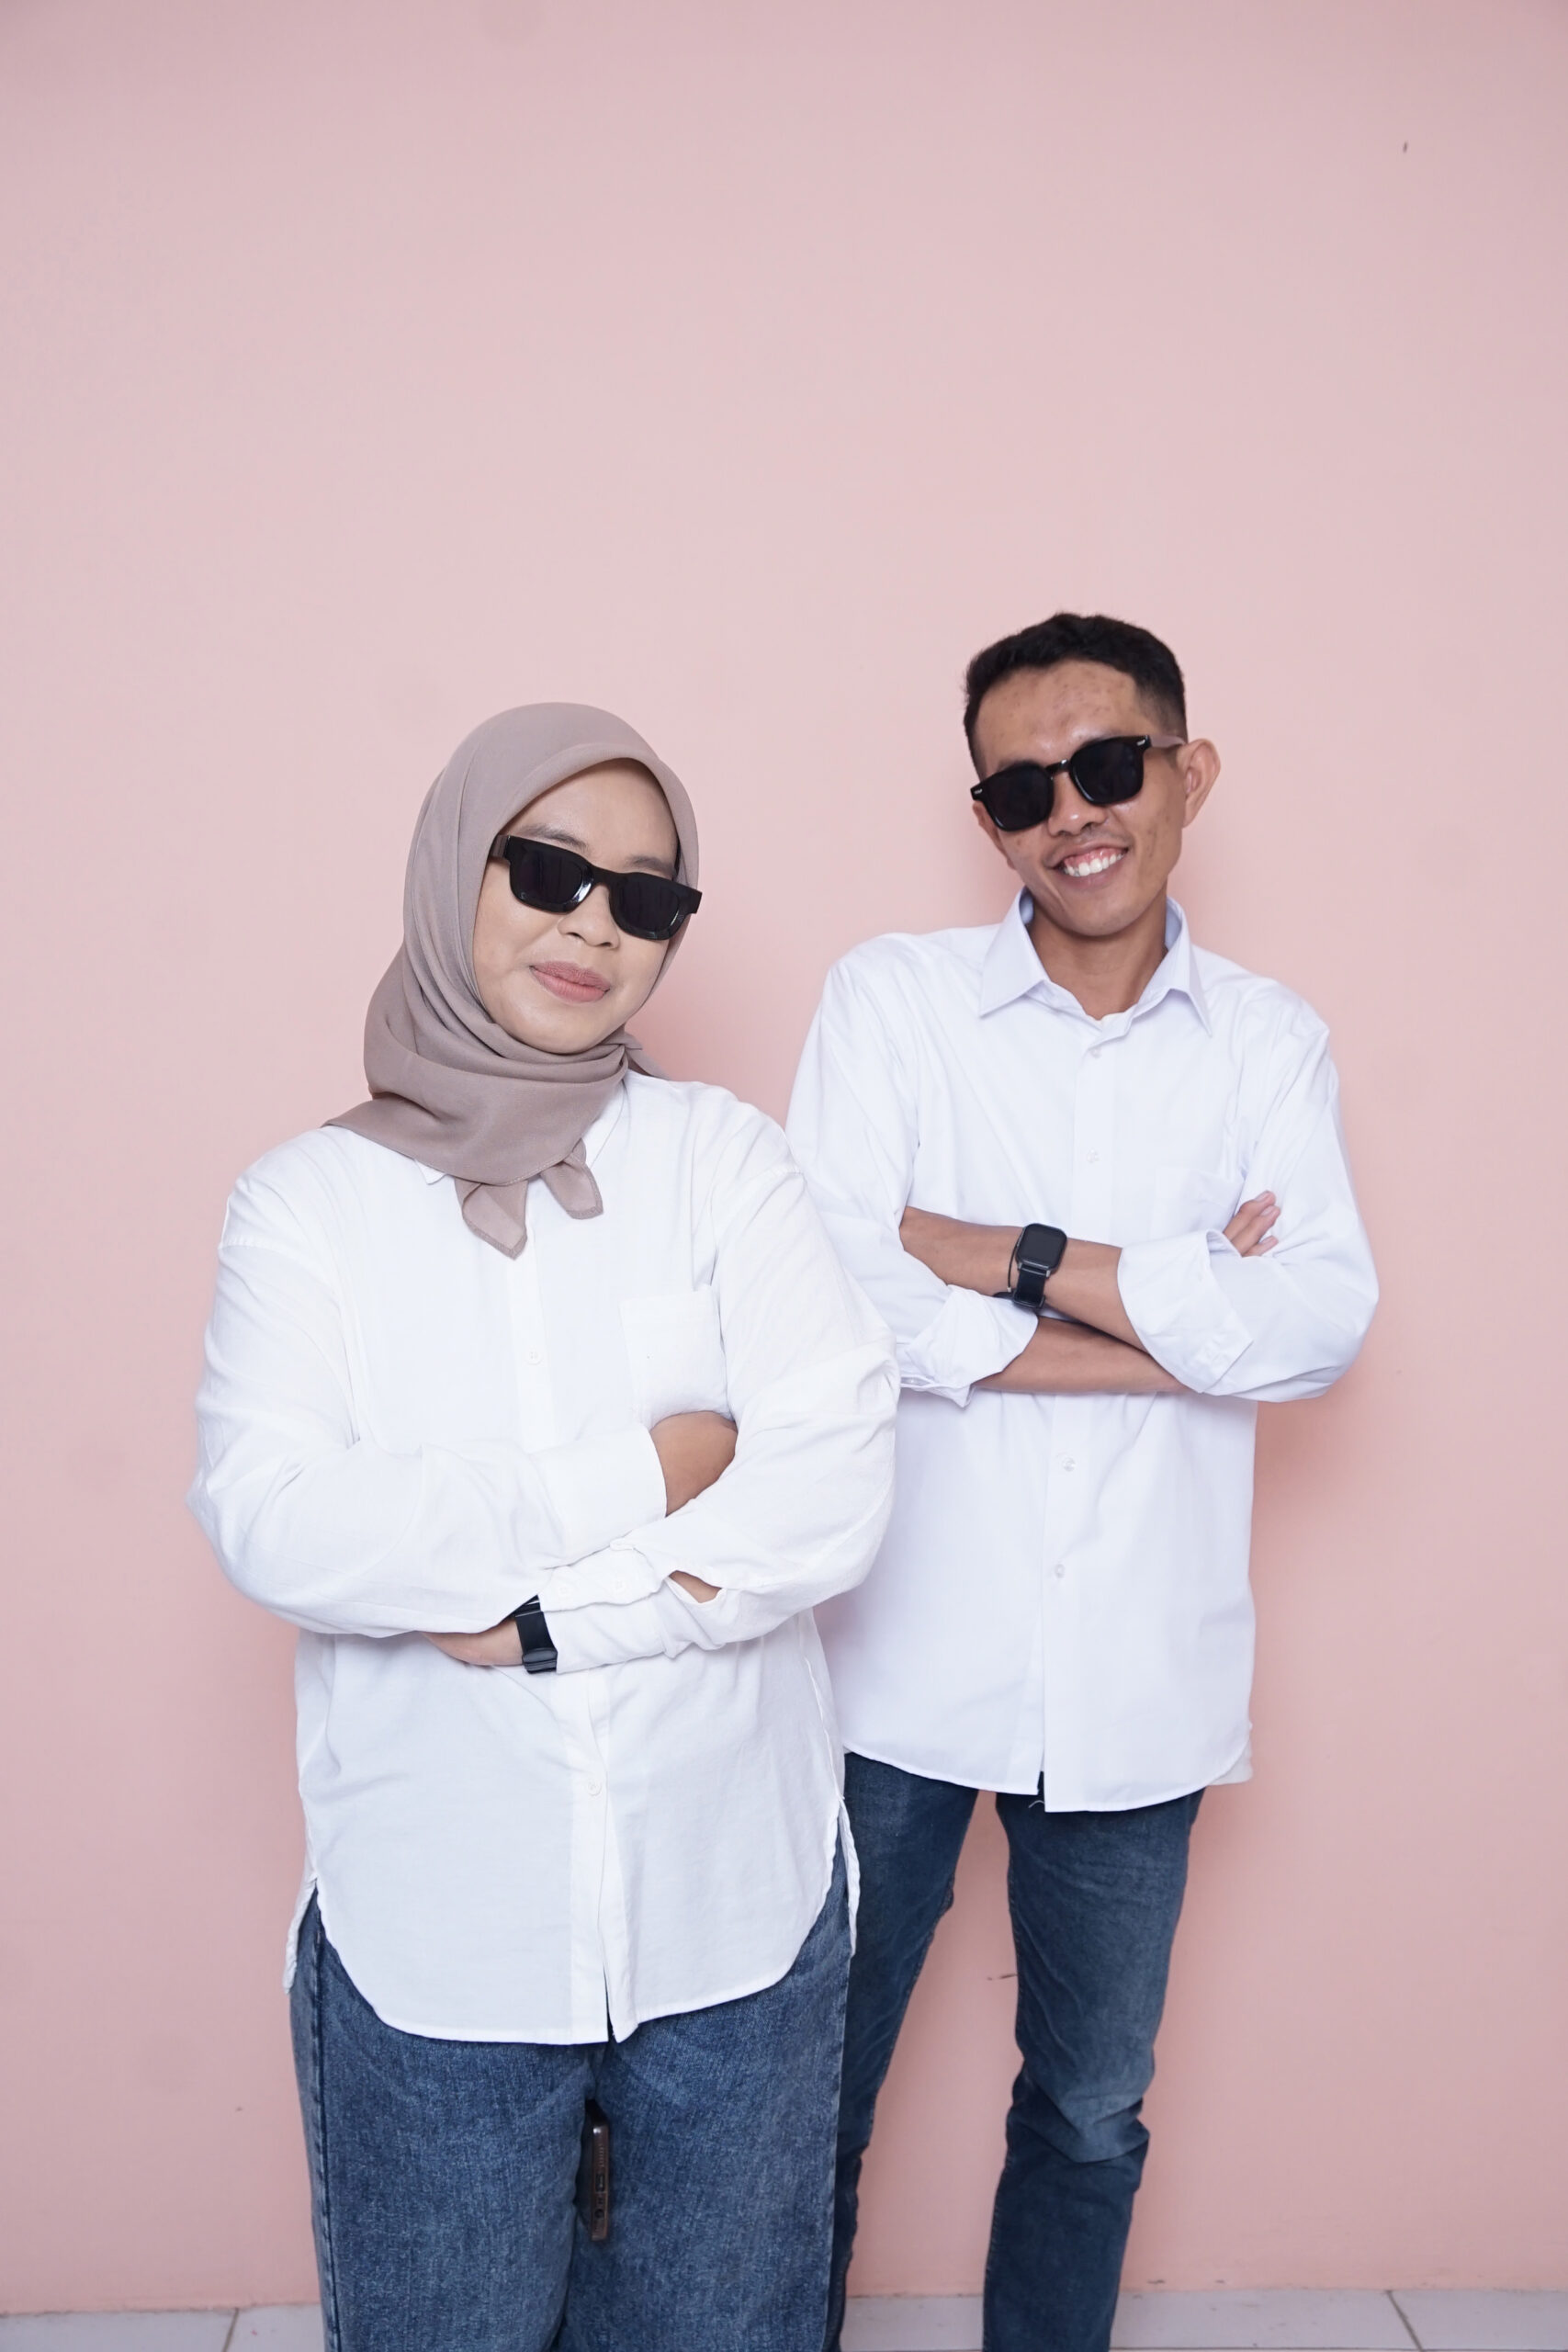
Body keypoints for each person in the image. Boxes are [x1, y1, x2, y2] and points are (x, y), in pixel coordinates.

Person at [189, 704, 897, 2352]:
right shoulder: (307, 1204)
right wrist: (646, 1474)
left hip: (737, 1912)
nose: (594, 926)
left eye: (647, 898)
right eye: (551, 870)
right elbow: (280, 1524)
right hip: (437, 1934)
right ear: (458, 869)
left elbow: (833, 1483)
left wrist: (550, 1623)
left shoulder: (724, 1162)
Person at [786, 614, 1378, 2352]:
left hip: (1140, 1676)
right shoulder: (893, 1001)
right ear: (987, 816)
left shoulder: (1269, 1042)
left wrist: (1006, 1250)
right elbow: (832, 1296)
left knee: (1090, 2112)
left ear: (1189, 775)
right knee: (799, 2101)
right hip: (892, 1669)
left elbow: (1315, 1326)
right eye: (1022, 788)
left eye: (1108, 765)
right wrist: (1179, 1316)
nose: (1072, 813)